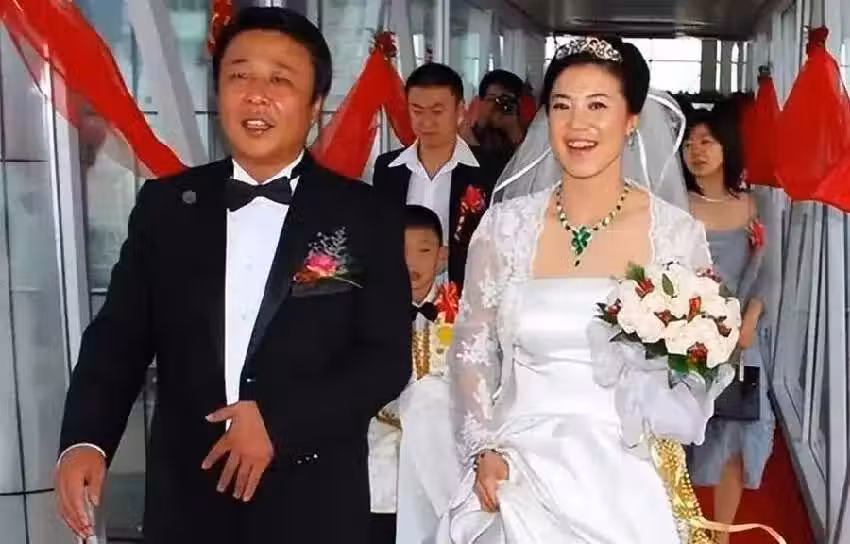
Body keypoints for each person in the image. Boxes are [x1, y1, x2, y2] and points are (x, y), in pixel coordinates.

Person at [55, 8, 411, 544]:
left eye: (280, 80)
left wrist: (280, 424)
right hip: (188, 500)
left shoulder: (363, 215)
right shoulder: (167, 207)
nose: (256, 95)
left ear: (315, 104)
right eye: (239, 75)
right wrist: (86, 439)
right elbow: (118, 339)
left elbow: (384, 359)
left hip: (312, 499)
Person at [435, 37, 721, 543]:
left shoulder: (675, 235)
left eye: (598, 106)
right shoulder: (505, 227)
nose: (577, 124)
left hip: (625, 474)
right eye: (562, 106)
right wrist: (484, 447)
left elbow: (697, 363)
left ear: (631, 120)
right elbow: (472, 348)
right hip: (516, 464)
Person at [683, 107, 776, 544]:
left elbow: (771, 274)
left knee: (738, 431)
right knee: (683, 437)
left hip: (740, 339)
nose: (696, 151)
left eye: (707, 141)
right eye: (689, 143)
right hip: (683, 338)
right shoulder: (676, 207)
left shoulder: (754, 205)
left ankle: (721, 536)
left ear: (727, 147)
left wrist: (750, 319)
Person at [368, 204, 459, 543]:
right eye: (401, 251)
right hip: (382, 449)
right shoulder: (367, 315)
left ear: (442, 257)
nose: (412, 262)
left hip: (444, 451)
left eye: (424, 250)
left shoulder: (463, 312)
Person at [372, 63, 501, 290]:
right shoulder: (388, 168)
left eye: (437, 111)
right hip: (399, 294)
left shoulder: (489, 169)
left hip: (465, 295)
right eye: (417, 111)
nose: (427, 122)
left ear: (460, 111)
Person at [461, 70, 527, 167]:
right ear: (480, 102)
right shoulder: (468, 134)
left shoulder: (529, 135)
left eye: (505, 100)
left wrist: (514, 132)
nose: (498, 105)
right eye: (492, 99)